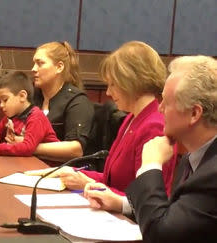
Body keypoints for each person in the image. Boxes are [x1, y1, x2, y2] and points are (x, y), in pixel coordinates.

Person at [26, 41, 177, 213]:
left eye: (112, 84)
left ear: (131, 82)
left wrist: (88, 184)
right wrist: (71, 172)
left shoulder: (154, 127)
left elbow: (144, 202)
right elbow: (110, 179)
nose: (108, 93)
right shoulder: (131, 119)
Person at [87, 55, 217, 242]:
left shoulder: (212, 173)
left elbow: (161, 236)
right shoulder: (193, 158)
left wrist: (150, 164)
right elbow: (176, 216)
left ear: (194, 113)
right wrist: (122, 204)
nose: (160, 108)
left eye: (166, 102)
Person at [28, 41, 94, 161]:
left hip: (60, 172)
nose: (33, 69)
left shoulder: (78, 102)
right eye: (34, 63)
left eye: (40, 63)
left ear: (59, 67)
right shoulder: (31, 95)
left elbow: (76, 149)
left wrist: (29, 146)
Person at [0, 71, 59, 156]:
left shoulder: (36, 117)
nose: (1, 105)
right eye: (0, 101)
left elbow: (27, 148)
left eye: (5, 100)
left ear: (22, 96)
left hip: (47, 165)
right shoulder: (11, 117)